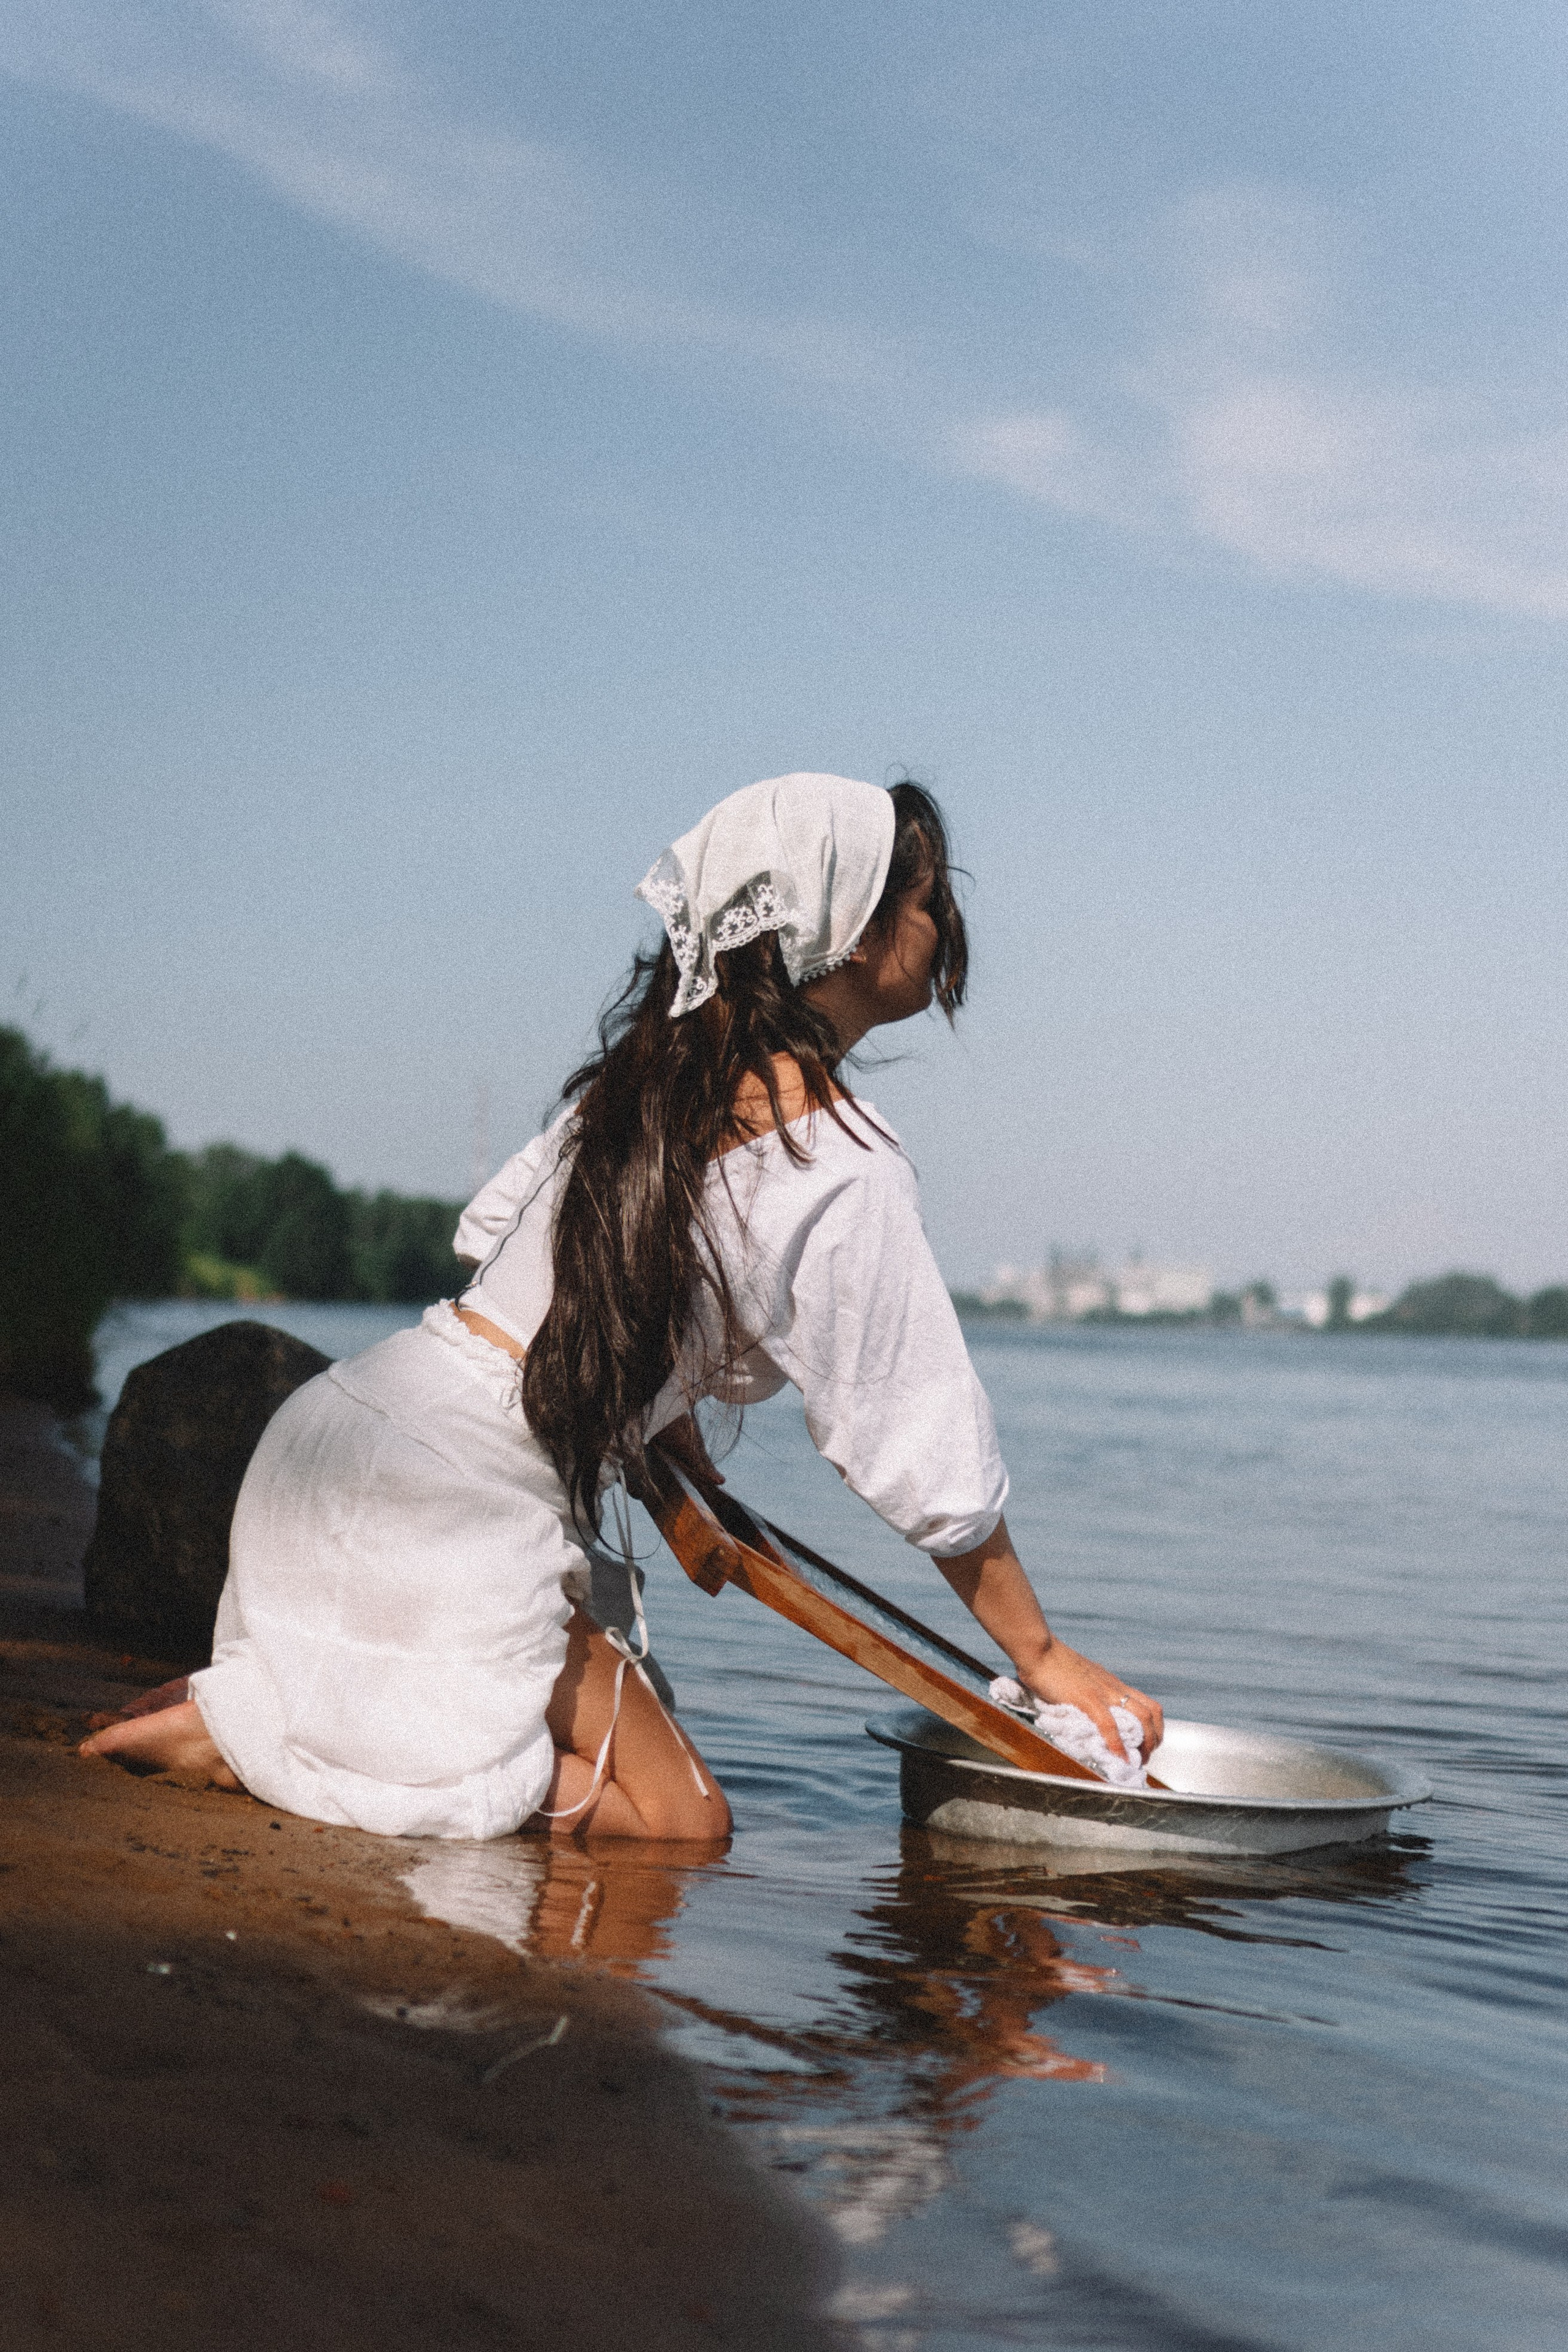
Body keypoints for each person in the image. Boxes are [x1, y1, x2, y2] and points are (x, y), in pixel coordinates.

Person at [81, 772, 1162, 1837]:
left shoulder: (646, 1084)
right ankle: (259, 1746)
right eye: (927, 899)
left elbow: (513, 1267)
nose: (947, 924)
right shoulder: (839, 1158)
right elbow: (919, 1446)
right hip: (452, 1512)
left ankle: (299, 1719)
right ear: (858, 927)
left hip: (328, 1438)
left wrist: (662, 1430)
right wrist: (1043, 1659)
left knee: (577, 1748)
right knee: (681, 1826)